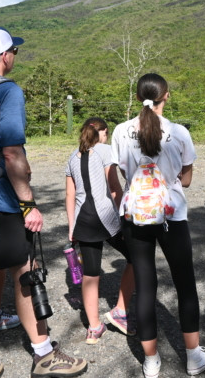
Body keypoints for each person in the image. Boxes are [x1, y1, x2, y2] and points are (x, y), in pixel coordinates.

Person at [0, 27, 86, 378]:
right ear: (6, 55)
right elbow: (12, 154)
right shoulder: (7, 91)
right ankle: (44, 354)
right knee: (26, 271)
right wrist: (28, 204)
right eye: (15, 52)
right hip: (0, 202)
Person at [111, 73, 205, 378]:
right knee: (184, 283)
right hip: (172, 214)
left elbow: (123, 173)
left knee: (145, 286)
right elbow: (186, 179)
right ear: (166, 96)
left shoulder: (120, 131)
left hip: (135, 215)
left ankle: (150, 362)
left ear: (138, 97)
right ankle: (194, 356)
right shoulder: (178, 132)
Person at [65, 116, 136, 343]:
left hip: (83, 221)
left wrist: (71, 226)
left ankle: (94, 328)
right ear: (103, 132)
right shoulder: (106, 151)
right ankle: (120, 311)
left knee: (91, 273)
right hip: (107, 218)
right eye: (107, 133)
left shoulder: (72, 157)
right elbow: (114, 188)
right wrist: (125, 217)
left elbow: (70, 195)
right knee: (137, 258)